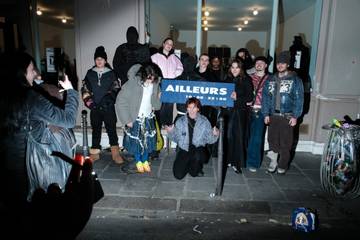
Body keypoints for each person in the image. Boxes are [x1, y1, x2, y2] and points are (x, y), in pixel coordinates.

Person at [0, 52, 78, 232]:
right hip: (29, 165)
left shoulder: (5, 95)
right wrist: (71, 92)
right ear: (20, 72)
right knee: (34, 215)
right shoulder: (30, 97)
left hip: (6, 165)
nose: (35, 73)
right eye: (31, 69)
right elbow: (67, 120)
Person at [262, 51, 304, 174]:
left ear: (287, 64)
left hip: (287, 116)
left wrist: (295, 116)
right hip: (273, 116)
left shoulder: (295, 80)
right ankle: (273, 161)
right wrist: (265, 114)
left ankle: (283, 165)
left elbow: (299, 99)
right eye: (278, 63)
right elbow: (265, 98)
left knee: (286, 143)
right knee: (272, 140)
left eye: (283, 63)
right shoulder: (270, 79)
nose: (280, 65)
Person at [115, 63, 161, 173]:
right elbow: (120, 102)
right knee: (136, 142)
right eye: (149, 77)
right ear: (143, 75)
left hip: (148, 118)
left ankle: (145, 160)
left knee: (147, 142)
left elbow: (157, 106)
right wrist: (127, 120)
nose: (151, 80)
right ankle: (138, 161)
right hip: (135, 118)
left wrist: (158, 98)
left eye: (153, 77)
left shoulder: (155, 84)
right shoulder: (132, 84)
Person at [81, 46, 123, 164]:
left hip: (108, 107)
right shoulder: (90, 73)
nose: (99, 61)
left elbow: (116, 89)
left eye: (101, 59)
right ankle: (95, 153)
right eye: (97, 59)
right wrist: (90, 103)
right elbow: (85, 89)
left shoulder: (111, 73)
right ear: (95, 60)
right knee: (96, 129)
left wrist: (108, 101)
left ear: (105, 60)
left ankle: (115, 153)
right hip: (95, 108)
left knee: (111, 129)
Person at [165, 97, 219, 180]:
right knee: (178, 175)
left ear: (198, 108)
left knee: (194, 173)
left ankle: (195, 166)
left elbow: (209, 139)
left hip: (198, 149)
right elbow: (176, 139)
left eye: (194, 107)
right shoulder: (180, 121)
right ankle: (188, 163)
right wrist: (171, 131)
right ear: (186, 108)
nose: (191, 110)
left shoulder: (204, 121)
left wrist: (215, 134)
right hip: (185, 149)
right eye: (189, 107)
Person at [224, 59, 254, 173]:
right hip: (228, 112)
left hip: (240, 113)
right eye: (232, 67)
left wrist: (238, 99)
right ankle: (227, 160)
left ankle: (237, 163)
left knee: (238, 138)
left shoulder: (246, 80)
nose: (234, 70)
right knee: (227, 137)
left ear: (241, 69)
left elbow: (250, 98)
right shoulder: (227, 79)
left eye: (237, 67)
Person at [246, 56, 272, 172]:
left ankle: (253, 163)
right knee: (245, 136)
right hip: (247, 110)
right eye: (257, 63)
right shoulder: (249, 78)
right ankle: (243, 159)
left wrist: (268, 113)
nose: (259, 65)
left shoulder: (271, 79)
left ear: (266, 65)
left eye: (262, 63)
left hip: (261, 111)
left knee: (256, 138)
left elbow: (272, 97)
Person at [151, 37, 183, 126]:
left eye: (171, 44)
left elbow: (180, 68)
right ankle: (159, 124)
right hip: (160, 81)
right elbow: (150, 68)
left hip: (171, 82)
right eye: (168, 43)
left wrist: (174, 74)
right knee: (159, 103)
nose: (169, 45)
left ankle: (167, 124)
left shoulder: (174, 58)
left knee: (169, 104)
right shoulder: (155, 57)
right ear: (163, 44)